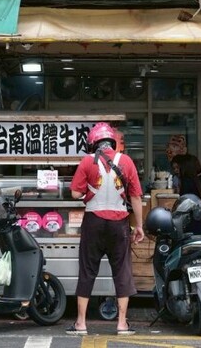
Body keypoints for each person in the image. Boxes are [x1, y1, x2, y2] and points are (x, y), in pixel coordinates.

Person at [67, 122, 145, 336]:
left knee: (87, 271)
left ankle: (81, 323)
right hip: (119, 224)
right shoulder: (127, 161)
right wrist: (138, 226)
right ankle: (121, 324)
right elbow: (136, 197)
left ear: (93, 143)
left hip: (93, 222)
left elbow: (74, 193)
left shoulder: (86, 162)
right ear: (112, 142)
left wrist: (87, 193)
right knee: (122, 271)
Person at [174, 154, 201, 235]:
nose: (177, 170)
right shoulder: (200, 179)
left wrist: (195, 203)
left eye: (179, 167)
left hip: (196, 220)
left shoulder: (188, 181)